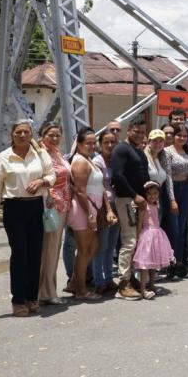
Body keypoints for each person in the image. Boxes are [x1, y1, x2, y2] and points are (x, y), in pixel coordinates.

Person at [0, 119, 56, 317]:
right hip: (14, 208)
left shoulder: (40, 154)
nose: (23, 135)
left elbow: (52, 175)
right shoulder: (4, 157)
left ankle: (31, 298)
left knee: (35, 253)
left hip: (35, 206)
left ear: (31, 134)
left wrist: (41, 181)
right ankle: (18, 301)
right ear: (12, 135)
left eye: (26, 132)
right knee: (20, 254)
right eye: (19, 132)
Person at [110, 118, 150, 299]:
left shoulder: (139, 151)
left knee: (138, 241)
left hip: (141, 202)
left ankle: (132, 278)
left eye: (143, 132)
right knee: (129, 242)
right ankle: (123, 283)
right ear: (129, 131)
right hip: (127, 200)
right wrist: (135, 195)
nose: (140, 135)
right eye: (137, 132)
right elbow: (118, 176)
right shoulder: (121, 149)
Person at [66, 127, 106, 301]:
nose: (91, 146)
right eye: (87, 143)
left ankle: (75, 282)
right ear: (79, 144)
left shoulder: (87, 159)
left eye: (93, 142)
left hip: (91, 209)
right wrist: (90, 214)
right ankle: (81, 289)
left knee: (93, 247)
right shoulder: (81, 162)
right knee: (83, 250)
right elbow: (80, 191)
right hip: (83, 210)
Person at [37, 123, 71, 304]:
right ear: (43, 135)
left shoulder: (57, 152)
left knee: (53, 249)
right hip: (50, 207)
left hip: (62, 206)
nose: (55, 139)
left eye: (58, 135)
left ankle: (48, 290)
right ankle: (45, 293)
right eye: (51, 135)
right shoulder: (40, 153)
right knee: (48, 250)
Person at [88, 128, 120, 295]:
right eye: (106, 142)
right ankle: (98, 280)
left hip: (117, 205)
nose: (109, 145)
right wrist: (108, 210)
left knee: (112, 245)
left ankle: (109, 279)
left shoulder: (115, 160)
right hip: (103, 207)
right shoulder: (98, 161)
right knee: (102, 245)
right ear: (100, 144)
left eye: (112, 142)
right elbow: (100, 187)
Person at [133, 181, 175, 299]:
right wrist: (137, 238)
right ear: (145, 194)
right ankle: (142, 289)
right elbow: (140, 222)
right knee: (145, 264)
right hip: (147, 235)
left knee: (153, 263)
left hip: (157, 235)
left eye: (155, 193)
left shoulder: (156, 205)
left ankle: (152, 285)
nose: (152, 196)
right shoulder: (143, 206)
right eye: (150, 193)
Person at [144, 129, 178, 277]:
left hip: (157, 200)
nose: (158, 144)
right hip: (146, 201)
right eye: (155, 141)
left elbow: (167, 177)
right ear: (149, 141)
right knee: (146, 235)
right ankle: (143, 269)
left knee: (155, 234)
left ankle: (154, 268)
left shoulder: (159, 157)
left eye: (161, 141)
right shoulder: (144, 157)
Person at [162, 126, 188, 278]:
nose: (182, 138)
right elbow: (167, 175)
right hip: (173, 189)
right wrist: (172, 199)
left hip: (186, 190)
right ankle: (170, 262)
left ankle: (180, 261)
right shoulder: (167, 151)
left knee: (182, 228)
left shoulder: (187, 151)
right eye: (179, 135)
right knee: (173, 229)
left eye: (184, 136)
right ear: (173, 136)